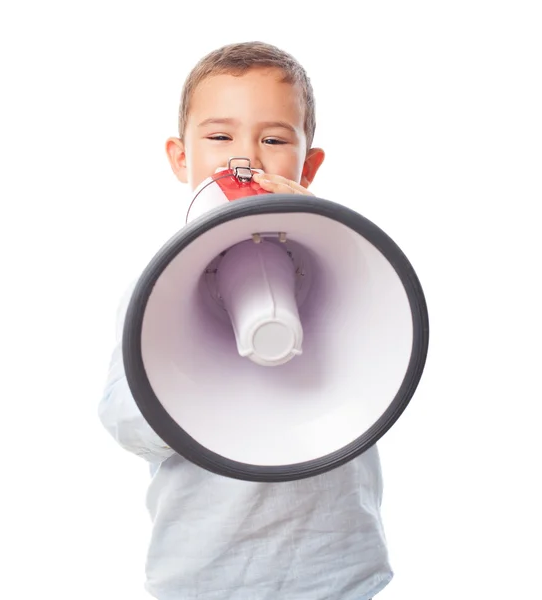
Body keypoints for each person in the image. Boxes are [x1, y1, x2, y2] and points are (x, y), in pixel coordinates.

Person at [99, 41, 391, 600]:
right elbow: (123, 421)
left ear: (308, 166)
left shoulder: (353, 266)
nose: (246, 158)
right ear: (180, 157)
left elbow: (381, 365)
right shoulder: (156, 286)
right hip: (204, 577)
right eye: (219, 136)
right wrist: (185, 375)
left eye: (274, 139)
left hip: (336, 573)